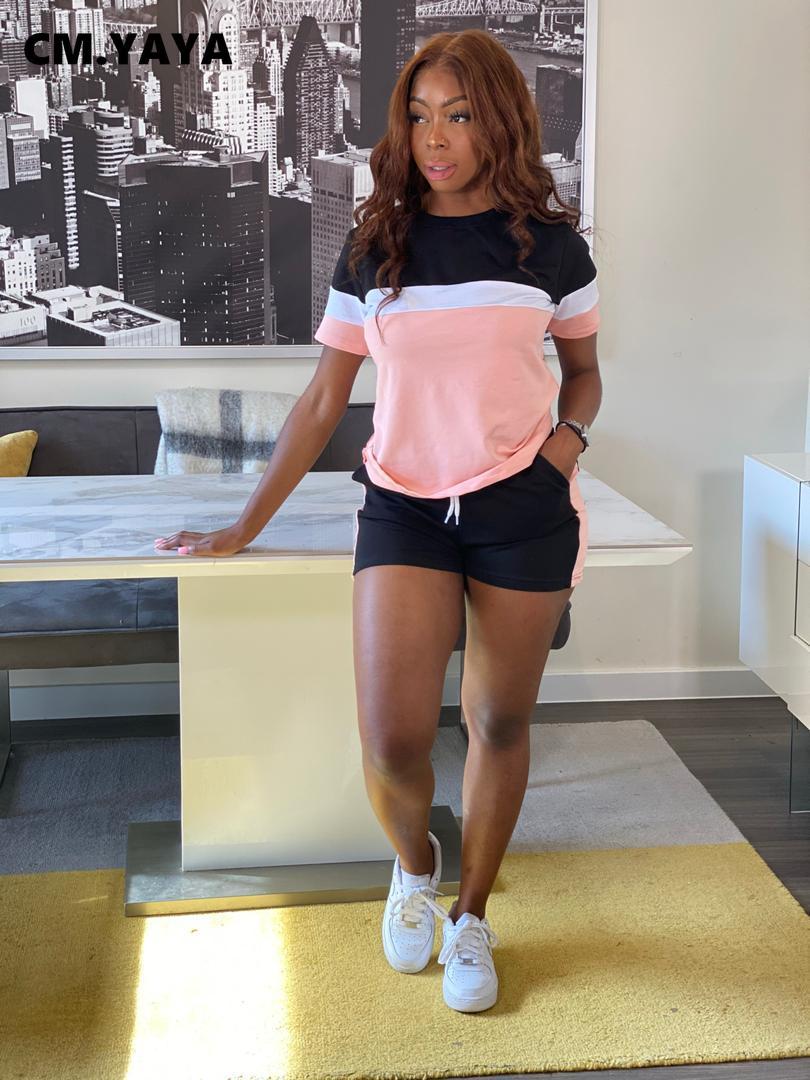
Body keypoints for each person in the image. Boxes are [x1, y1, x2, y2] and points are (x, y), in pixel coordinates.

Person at [154, 28, 602, 1014]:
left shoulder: (553, 248)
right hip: (403, 505)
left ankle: (473, 915)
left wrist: (563, 450)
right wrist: (242, 523)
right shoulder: (377, 245)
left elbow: (585, 374)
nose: (434, 137)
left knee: (498, 720)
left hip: (522, 509)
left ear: (499, 123)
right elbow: (324, 400)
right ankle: (416, 867)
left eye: (459, 115)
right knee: (393, 740)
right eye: (419, 115)